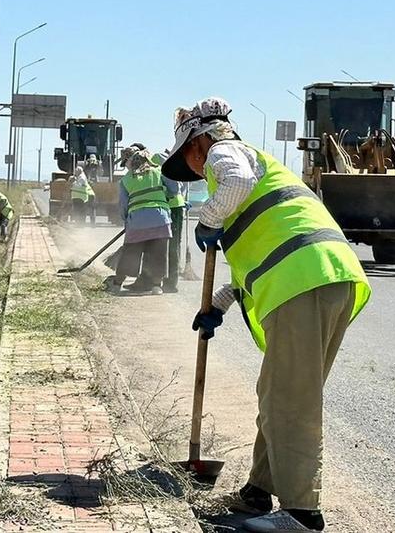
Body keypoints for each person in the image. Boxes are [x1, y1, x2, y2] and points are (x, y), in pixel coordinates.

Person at [161, 97, 370, 533]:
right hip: (320, 275)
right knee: (279, 391)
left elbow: (232, 183)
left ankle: (301, 513)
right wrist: (218, 304)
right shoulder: (253, 175)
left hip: (306, 280)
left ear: (198, 142)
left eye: (189, 160)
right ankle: (260, 489)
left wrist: (208, 217)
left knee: (289, 399)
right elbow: (258, 260)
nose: (197, 171)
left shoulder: (225, 152)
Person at [104, 145, 174, 294]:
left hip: (136, 222)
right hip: (160, 219)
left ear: (130, 162)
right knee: (158, 254)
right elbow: (174, 189)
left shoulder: (126, 180)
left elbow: (123, 205)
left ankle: (117, 284)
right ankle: (156, 286)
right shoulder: (159, 172)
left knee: (131, 253)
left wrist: (126, 219)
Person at [154, 149, 187, 293]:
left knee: (172, 246)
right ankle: (167, 280)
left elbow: (173, 189)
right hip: (174, 207)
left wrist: (164, 193)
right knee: (169, 245)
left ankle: (171, 283)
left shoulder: (160, 165)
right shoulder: (170, 166)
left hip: (173, 208)